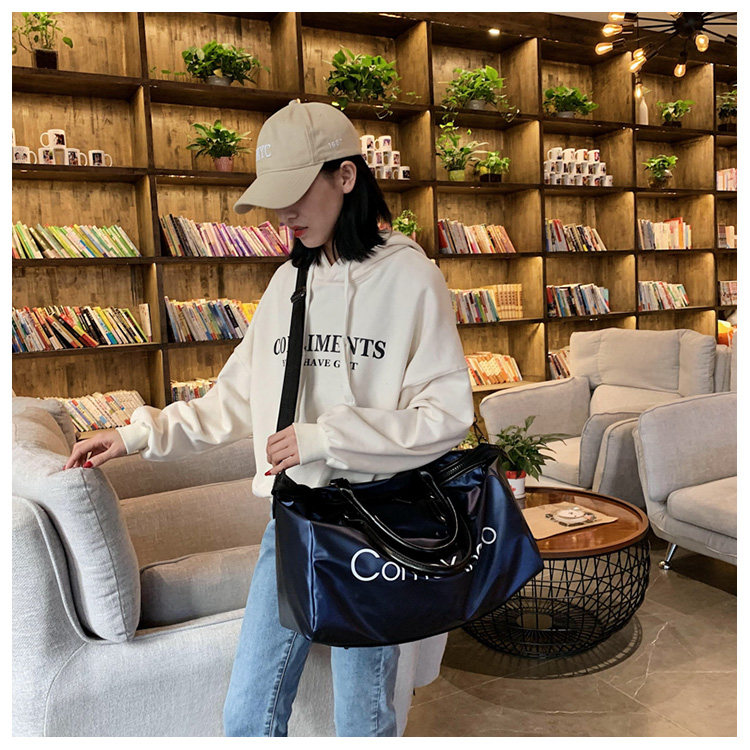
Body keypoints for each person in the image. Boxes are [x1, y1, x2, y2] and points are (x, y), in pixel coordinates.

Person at [63, 99, 475, 736]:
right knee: (247, 717)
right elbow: (235, 399)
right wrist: (136, 433)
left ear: (346, 176)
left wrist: (324, 438)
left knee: (362, 720)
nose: (283, 213)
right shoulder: (287, 283)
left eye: (296, 191)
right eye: (274, 196)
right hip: (290, 523)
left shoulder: (412, 278)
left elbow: (445, 417)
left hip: (375, 528)